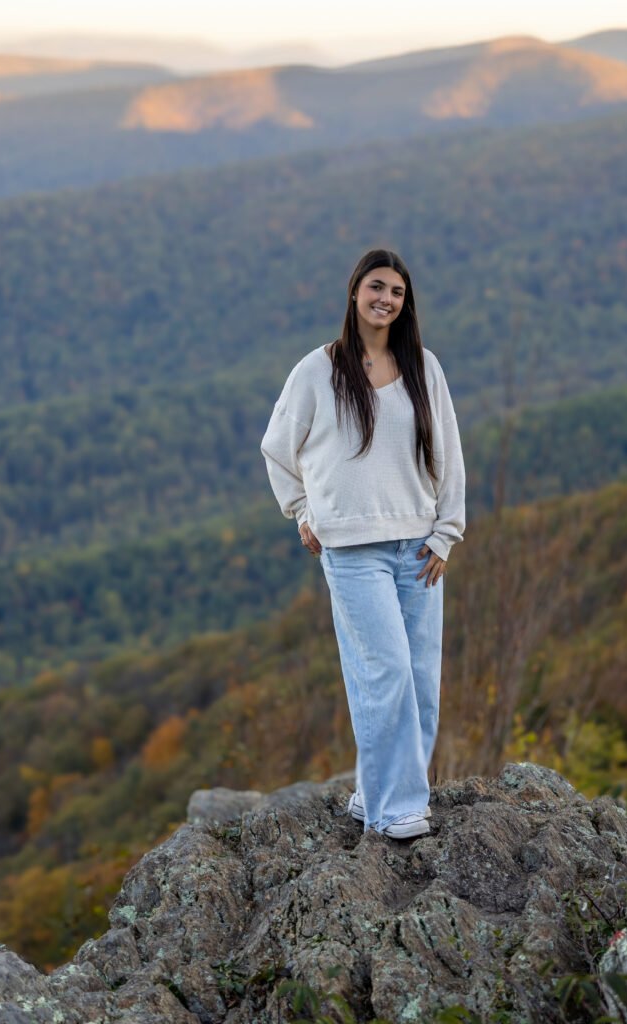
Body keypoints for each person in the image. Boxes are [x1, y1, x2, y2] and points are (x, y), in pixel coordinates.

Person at [260, 248, 466, 839]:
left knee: (421, 678)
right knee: (387, 672)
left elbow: (448, 456)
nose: (387, 299)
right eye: (377, 287)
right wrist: (301, 509)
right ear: (355, 292)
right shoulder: (317, 371)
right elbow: (278, 448)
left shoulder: (424, 368)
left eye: (398, 292)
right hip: (353, 551)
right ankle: (395, 810)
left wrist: (447, 533)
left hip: (420, 546)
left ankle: (381, 791)